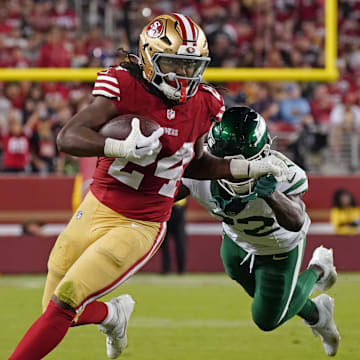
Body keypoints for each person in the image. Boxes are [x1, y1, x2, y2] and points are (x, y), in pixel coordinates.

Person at [8, 14, 289, 360]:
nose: (184, 75)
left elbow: (196, 163)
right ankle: (114, 315)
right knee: (54, 308)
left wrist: (244, 167)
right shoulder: (124, 85)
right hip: (97, 204)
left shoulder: (206, 103)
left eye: (191, 66)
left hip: (141, 223)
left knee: (66, 301)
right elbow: (68, 137)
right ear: (150, 57)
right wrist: (118, 147)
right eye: (174, 63)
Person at [177, 106, 340, 357]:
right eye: (227, 162)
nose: (235, 170)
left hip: (279, 249)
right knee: (255, 289)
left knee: (266, 319)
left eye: (243, 162)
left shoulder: (283, 172)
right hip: (235, 242)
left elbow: (297, 220)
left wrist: (271, 194)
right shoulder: (199, 172)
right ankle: (318, 314)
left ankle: (318, 269)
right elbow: (162, 193)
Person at [161, 199, 187, 274]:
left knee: (179, 242)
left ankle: (170, 269)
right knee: (178, 241)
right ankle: (179, 269)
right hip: (175, 208)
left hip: (171, 207)